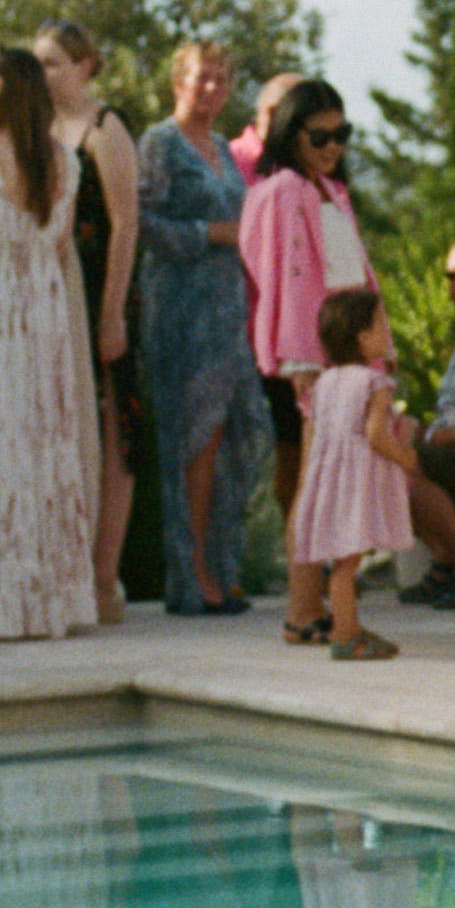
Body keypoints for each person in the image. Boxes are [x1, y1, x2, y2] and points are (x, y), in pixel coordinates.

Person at [0, 45, 97, 640]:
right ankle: (51, 600)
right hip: (45, 309)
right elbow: (60, 246)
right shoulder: (65, 162)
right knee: (46, 442)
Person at [138, 41, 269, 617]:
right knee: (195, 440)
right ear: (177, 82)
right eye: (201, 79)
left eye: (221, 79)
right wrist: (209, 235)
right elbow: (138, 220)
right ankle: (191, 577)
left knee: (239, 437)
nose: (212, 89)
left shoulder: (219, 146)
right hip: (179, 309)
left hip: (227, 307)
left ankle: (221, 563)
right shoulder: (158, 142)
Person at [38, 20, 144, 627]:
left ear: (84, 65)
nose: (47, 73)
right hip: (53, 293)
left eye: (55, 62)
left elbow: (126, 222)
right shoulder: (41, 130)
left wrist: (112, 314)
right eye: (41, 63)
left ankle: (105, 578)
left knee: (115, 428)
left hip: (105, 286)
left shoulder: (106, 128)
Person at [240, 77, 375, 546]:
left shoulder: (331, 190)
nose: (332, 146)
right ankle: (304, 610)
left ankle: (334, 607)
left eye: (342, 134)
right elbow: (282, 280)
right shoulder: (283, 191)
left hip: (346, 353)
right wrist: (300, 359)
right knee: (311, 480)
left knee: (336, 481)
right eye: (320, 136)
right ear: (290, 133)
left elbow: (355, 274)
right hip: (310, 358)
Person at [288, 289, 413, 660]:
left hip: (330, 481)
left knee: (343, 560)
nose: (387, 333)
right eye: (381, 325)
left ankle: (351, 627)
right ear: (362, 336)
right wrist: (405, 456)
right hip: (357, 483)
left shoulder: (324, 383)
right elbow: (375, 435)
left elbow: (321, 435)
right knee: (347, 563)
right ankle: (346, 636)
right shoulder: (375, 383)